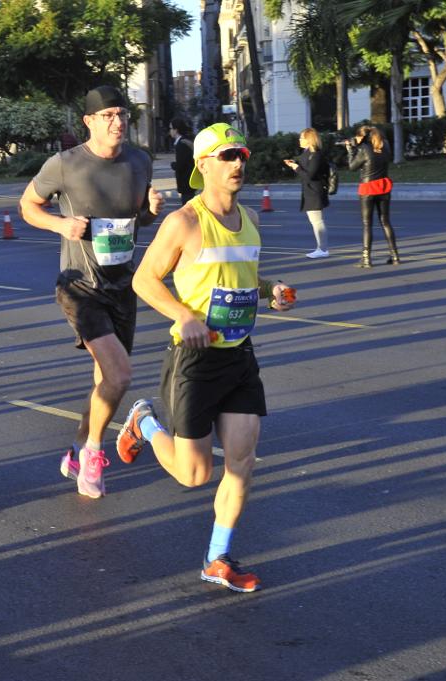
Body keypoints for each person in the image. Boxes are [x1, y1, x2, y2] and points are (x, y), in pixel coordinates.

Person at [116, 123, 295, 593]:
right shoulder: (185, 223)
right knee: (194, 475)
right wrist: (182, 315)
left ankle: (217, 558)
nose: (238, 163)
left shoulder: (250, 217)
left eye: (242, 154)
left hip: (238, 355)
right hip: (193, 359)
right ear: (203, 165)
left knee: (243, 462)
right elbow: (144, 281)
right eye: (227, 155)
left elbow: (242, 279)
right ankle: (144, 423)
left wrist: (270, 290)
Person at [18, 84, 164, 499]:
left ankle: (80, 448)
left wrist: (151, 212)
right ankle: (95, 454)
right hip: (80, 286)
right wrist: (60, 225)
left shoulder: (140, 161)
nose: (118, 123)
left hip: (122, 284)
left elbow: (137, 224)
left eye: (122, 115)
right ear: (89, 122)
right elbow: (27, 206)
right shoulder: (65, 164)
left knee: (107, 384)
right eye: (108, 116)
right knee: (120, 375)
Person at [346, 125, 400, 267]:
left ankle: (366, 258)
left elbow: (352, 167)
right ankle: (395, 256)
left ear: (362, 137)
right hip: (383, 186)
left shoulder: (364, 148)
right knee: (386, 222)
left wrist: (351, 150)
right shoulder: (385, 145)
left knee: (367, 224)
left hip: (368, 188)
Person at [283, 127, 331, 258]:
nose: (299, 140)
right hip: (310, 191)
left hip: (315, 191)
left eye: (302, 138)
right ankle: (321, 248)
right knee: (315, 221)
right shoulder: (307, 152)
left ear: (309, 140)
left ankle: (323, 249)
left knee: (317, 222)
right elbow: (306, 167)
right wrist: (295, 163)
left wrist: (296, 167)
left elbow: (310, 175)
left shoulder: (316, 155)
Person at [169, 117, 195, 206]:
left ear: (176, 130)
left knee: (187, 208)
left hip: (186, 183)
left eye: (171, 128)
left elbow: (181, 165)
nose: (170, 131)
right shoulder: (185, 141)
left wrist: (173, 165)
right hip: (189, 183)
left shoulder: (182, 144)